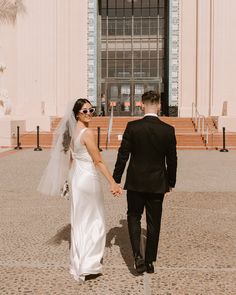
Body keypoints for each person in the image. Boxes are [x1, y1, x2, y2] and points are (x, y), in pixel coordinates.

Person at [38, 98, 122, 282]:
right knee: (95, 219)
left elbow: (70, 158)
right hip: (87, 179)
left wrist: (68, 180)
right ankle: (88, 264)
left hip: (76, 177)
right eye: (85, 111)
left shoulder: (70, 131)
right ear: (77, 113)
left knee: (79, 220)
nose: (89, 114)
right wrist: (113, 182)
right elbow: (98, 160)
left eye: (91, 110)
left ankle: (79, 261)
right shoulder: (87, 133)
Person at [113, 91, 177, 274]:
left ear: (142, 105)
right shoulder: (167, 129)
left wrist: (116, 178)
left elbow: (123, 155)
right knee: (154, 222)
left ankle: (137, 256)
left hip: (135, 182)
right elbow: (172, 159)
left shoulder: (132, 127)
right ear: (158, 106)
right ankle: (149, 261)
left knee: (133, 216)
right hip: (157, 183)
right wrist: (170, 182)